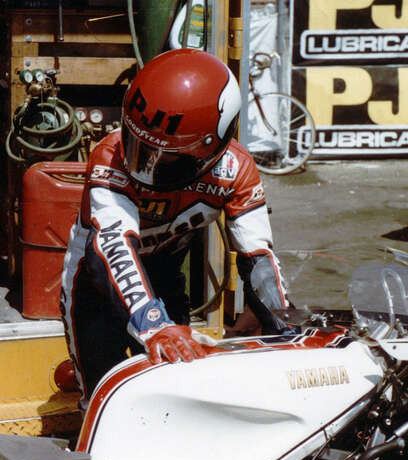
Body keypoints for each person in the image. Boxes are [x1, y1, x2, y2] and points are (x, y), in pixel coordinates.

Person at [60, 49, 290, 403]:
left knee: (176, 390)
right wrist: (155, 326)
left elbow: (258, 256)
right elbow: (113, 246)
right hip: (96, 280)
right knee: (102, 398)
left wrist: (282, 326)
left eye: (166, 156)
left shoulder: (237, 171)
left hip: (165, 273)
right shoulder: (108, 154)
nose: (147, 167)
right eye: (139, 147)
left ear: (212, 145)